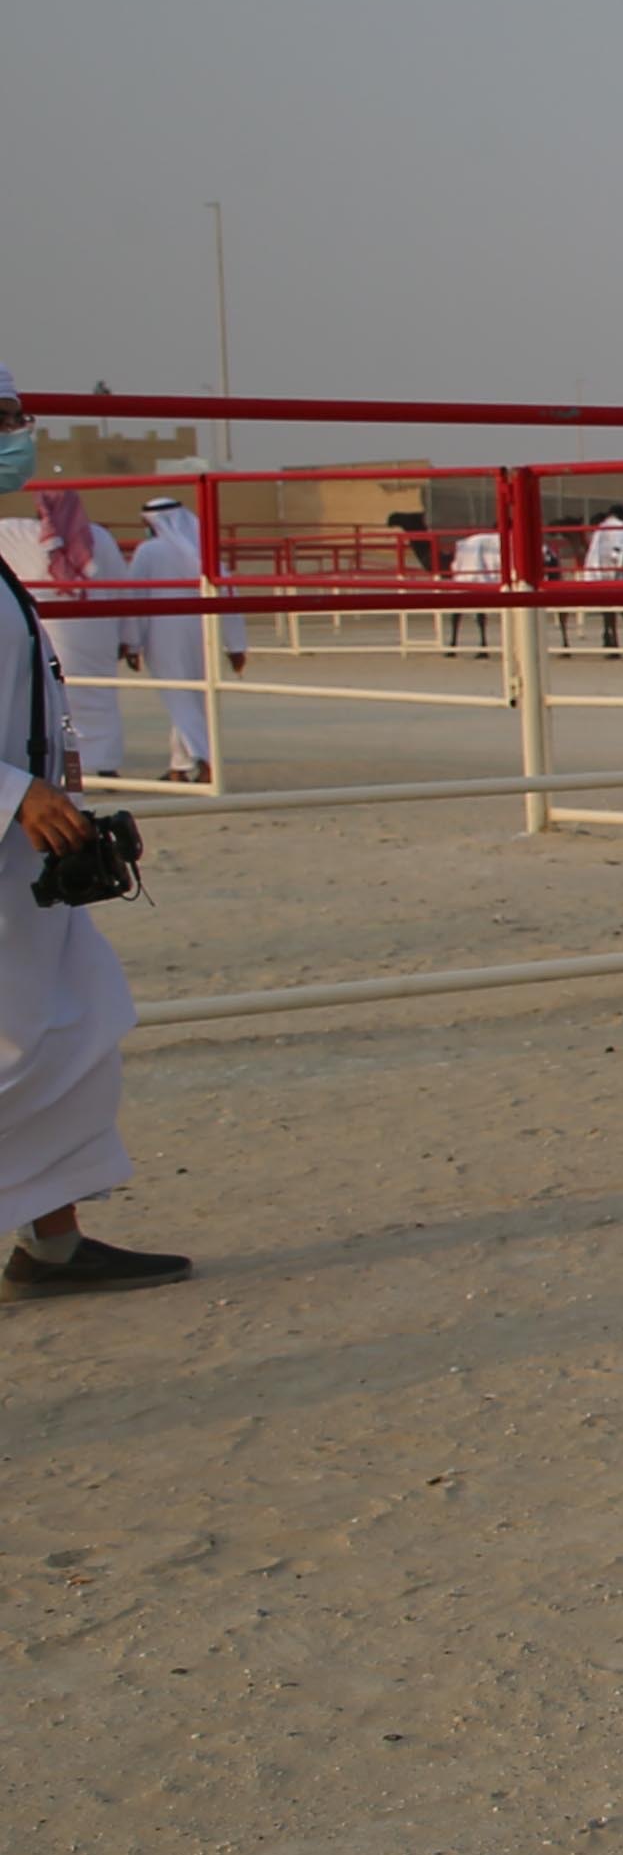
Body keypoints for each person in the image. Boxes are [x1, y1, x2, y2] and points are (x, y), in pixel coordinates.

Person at [0, 367, 190, 1298]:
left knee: (70, 1028)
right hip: (9, 833)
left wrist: (53, 785)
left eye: (15, 419)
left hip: (23, 860)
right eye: (1, 420)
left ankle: (55, 1245)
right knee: (18, 1044)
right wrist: (13, 795)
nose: (17, 436)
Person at [27, 489, 126, 775]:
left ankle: (77, 769)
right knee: (101, 702)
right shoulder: (101, 538)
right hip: (101, 635)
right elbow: (124, 588)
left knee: (62, 706)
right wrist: (129, 638)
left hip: (62, 638)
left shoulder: (31, 536)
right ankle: (106, 766)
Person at [120, 497, 215, 783]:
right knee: (193, 698)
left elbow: (134, 598)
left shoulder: (149, 551)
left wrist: (132, 643)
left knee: (179, 699)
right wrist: (235, 645)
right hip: (203, 630)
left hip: (163, 634)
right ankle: (180, 765)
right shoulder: (202, 549)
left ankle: (207, 760)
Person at [579, 504, 623, 658]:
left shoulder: (602, 531)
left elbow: (594, 554)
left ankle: (613, 642)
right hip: (621, 573)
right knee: (622, 609)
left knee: (609, 610)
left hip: (604, 573)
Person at [443, 521, 504, 657]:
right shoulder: (482, 542)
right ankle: (462, 644)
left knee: (460, 609)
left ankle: (455, 644)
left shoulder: (478, 542)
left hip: (474, 575)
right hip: (478, 574)